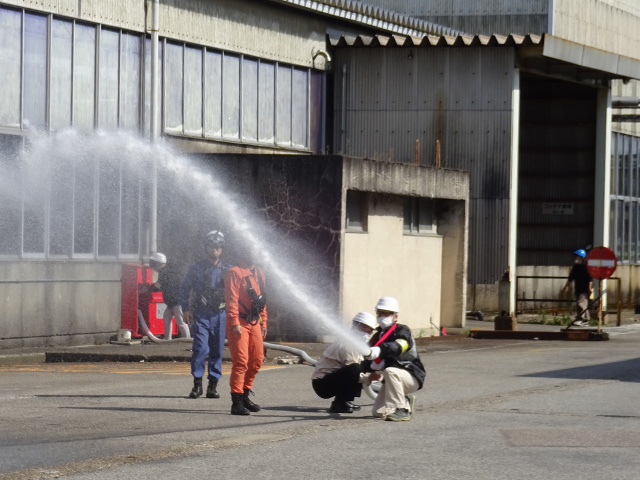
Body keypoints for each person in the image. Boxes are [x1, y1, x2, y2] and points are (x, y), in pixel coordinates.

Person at [179, 231, 230, 399]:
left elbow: (237, 293)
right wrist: (186, 309)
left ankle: (212, 386)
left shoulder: (228, 270)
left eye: (217, 247)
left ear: (221, 249)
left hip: (221, 315)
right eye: (211, 246)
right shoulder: (197, 268)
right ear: (206, 248)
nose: (214, 250)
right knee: (200, 348)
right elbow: (185, 288)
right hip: (202, 314)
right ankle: (197, 385)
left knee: (217, 351)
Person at [362, 296, 426, 422]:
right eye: (380, 313)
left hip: (411, 376)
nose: (382, 316)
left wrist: (380, 349)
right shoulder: (377, 336)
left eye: (387, 313)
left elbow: (400, 346)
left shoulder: (402, 331)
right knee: (378, 412)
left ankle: (402, 410)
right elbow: (370, 361)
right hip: (391, 381)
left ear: (395, 316)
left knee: (390, 370)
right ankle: (405, 400)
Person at [224, 241, 267, 416]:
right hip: (239, 322)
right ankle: (236, 401)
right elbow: (231, 299)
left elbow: (262, 299)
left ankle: (245, 394)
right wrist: (234, 322)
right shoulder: (234, 272)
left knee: (257, 359)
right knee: (241, 361)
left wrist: (264, 321)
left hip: (254, 321)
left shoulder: (259, 273)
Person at [311, 312, 377, 414]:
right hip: (322, 384)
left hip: (330, 379)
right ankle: (340, 402)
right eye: (364, 327)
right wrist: (368, 378)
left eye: (370, 331)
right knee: (355, 368)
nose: (367, 332)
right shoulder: (348, 343)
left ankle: (344, 401)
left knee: (364, 365)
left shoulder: (357, 343)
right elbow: (353, 372)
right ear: (355, 325)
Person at [148, 252, 190, 340]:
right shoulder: (170, 270)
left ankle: (187, 341)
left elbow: (158, 285)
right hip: (173, 301)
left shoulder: (164, 272)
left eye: (153, 264)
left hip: (176, 301)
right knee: (167, 317)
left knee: (180, 321)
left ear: (158, 263)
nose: (152, 266)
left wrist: (147, 289)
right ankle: (167, 340)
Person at [560, 249, 593, 326]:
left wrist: (590, 288)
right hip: (577, 288)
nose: (575, 258)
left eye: (577, 256)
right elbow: (570, 278)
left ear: (581, 257)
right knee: (580, 305)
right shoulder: (575, 267)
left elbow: (590, 279)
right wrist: (565, 288)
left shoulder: (586, 267)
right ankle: (585, 320)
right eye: (575, 257)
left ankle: (582, 319)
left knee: (581, 303)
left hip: (584, 289)